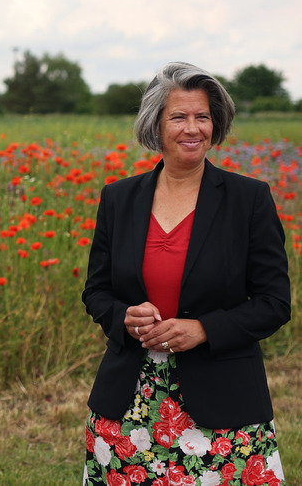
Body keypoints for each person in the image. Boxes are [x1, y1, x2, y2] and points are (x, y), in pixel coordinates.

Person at [82, 62, 290, 484]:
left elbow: (275, 303)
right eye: (179, 117)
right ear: (155, 126)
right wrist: (123, 316)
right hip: (131, 402)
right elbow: (97, 292)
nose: (192, 128)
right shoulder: (119, 199)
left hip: (224, 404)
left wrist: (204, 329)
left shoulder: (248, 199)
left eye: (202, 117)